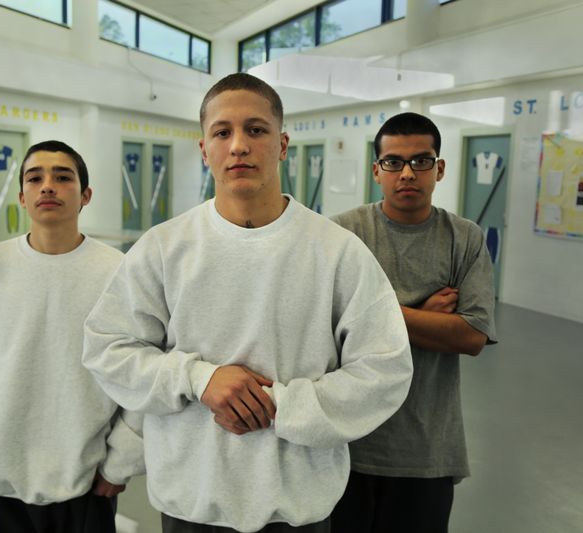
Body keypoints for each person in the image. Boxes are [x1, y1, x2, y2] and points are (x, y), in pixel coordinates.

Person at [82, 73, 413, 533]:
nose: (238, 145)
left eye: (256, 130)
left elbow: (385, 369)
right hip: (191, 503)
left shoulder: (337, 251)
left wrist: (276, 406)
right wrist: (199, 379)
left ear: (281, 144)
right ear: (204, 149)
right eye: (222, 132)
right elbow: (107, 348)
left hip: (298, 506)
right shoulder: (163, 248)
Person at [0, 140, 143, 533]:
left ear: (85, 195)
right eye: (35, 178)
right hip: (9, 470)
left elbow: (137, 372)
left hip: (88, 475)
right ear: (22, 196)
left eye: (62, 177)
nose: (47, 186)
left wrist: (122, 460)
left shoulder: (118, 271)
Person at [330, 112, 498, 533]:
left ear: (439, 168)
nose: (407, 173)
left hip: (426, 451)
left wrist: (372, 314)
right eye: (393, 162)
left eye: (421, 161)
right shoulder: (344, 234)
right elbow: (322, 325)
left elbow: (472, 335)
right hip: (345, 442)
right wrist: (424, 316)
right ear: (377, 170)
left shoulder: (465, 239)